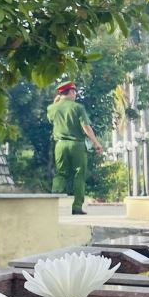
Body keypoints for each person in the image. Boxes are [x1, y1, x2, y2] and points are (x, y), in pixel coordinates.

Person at [46, 80, 103, 215]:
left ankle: (52, 203)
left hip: (60, 145)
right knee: (79, 175)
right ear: (71, 92)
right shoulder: (78, 107)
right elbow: (86, 127)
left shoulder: (51, 108)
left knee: (61, 173)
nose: (75, 95)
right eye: (75, 92)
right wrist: (96, 142)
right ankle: (77, 207)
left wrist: (55, 103)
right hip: (77, 145)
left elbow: (51, 120)